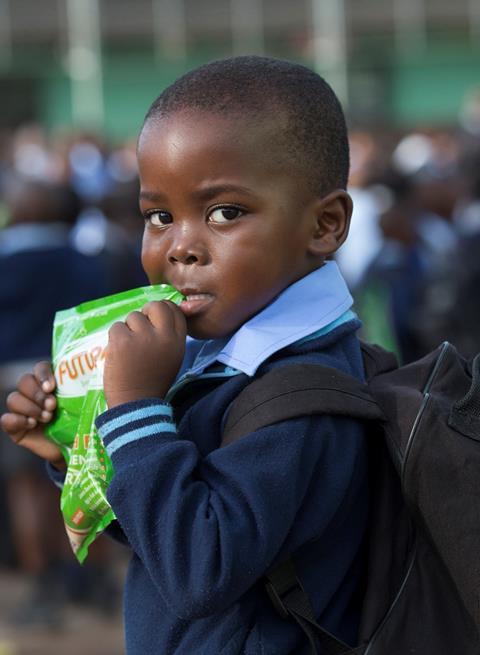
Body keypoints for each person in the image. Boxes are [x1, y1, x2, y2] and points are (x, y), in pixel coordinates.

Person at [1, 56, 369, 654]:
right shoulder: (228, 359)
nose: (181, 248)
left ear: (325, 225)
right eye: (159, 216)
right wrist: (76, 453)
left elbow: (200, 570)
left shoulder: (300, 390)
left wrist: (135, 411)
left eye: (225, 212)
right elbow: (164, 530)